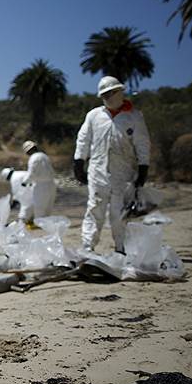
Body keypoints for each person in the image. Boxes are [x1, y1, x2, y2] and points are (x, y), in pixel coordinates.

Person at [73, 76, 150, 254]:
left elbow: (142, 144)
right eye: (104, 95)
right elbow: (83, 140)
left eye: (111, 93)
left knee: (120, 213)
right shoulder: (94, 116)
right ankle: (87, 247)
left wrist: (143, 168)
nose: (108, 97)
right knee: (94, 209)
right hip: (97, 171)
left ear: (120, 91)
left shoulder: (135, 117)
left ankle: (122, 248)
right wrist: (78, 163)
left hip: (123, 174)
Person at [19, 140, 57, 224]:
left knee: (39, 206)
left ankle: (40, 224)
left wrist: (24, 182)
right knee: (48, 206)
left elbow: (31, 173)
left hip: (41, 186)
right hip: (51, 184)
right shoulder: (44, 156)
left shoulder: (34, 158)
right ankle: (47, 224)